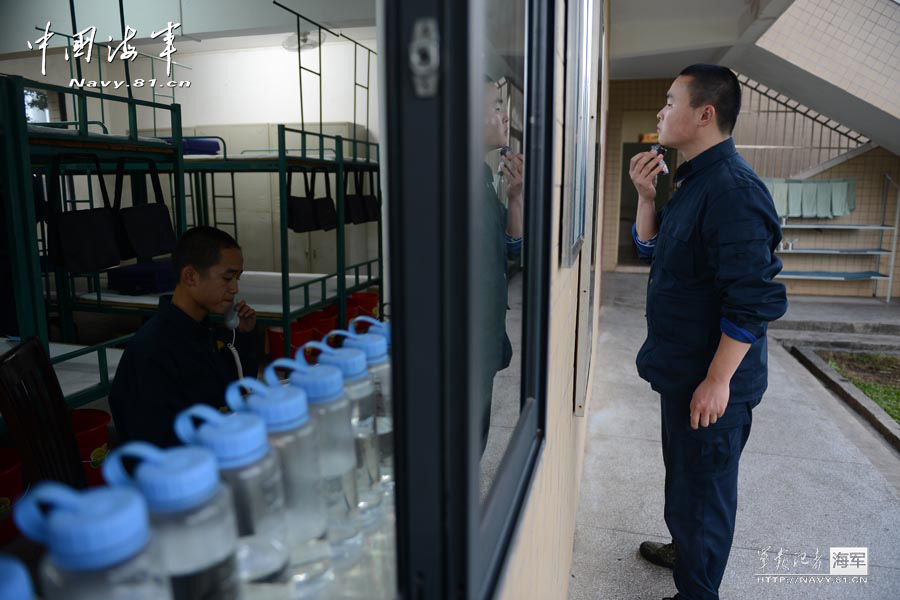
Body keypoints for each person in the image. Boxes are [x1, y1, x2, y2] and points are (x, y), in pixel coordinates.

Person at [629, 64, 788, 600]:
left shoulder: (733, 190)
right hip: (681, 370)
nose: (660, 112)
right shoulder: (692, 179)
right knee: (686, 482)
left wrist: (718, 381)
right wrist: (646, 199)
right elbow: (654, 254)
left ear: (705, 113)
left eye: (670, 102)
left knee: (706, 494)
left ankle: (697, 590)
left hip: (709, 383)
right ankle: (686, 547)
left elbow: (754, 300)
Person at [109, 226, 258, 447]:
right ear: (190, 276)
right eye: (228, 278)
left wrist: (242, 336)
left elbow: (239, 390)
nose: (235, 289)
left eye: (238, 278)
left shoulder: (205, 332)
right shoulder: (153, 351)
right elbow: (153, 444)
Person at [480, 78, 524, 454]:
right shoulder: (445, 180)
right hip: (462, 343)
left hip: (484, 333)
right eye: (496, 107)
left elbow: (511, 246)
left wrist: (515, 198)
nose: (504, 117)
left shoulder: (480, 176)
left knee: (476, 436)